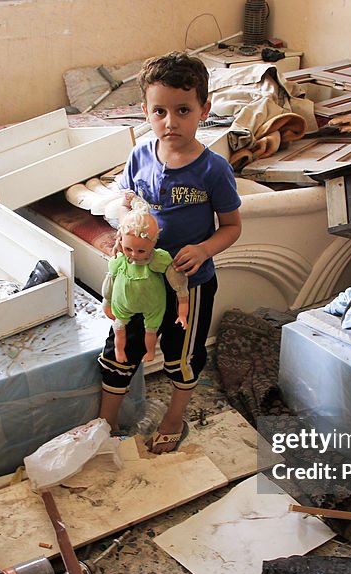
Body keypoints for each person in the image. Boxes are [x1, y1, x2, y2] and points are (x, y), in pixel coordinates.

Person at [98, 50, 242, 454]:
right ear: (145, 110)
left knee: (183, 355)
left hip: (188, 285)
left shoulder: (213, 170)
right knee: (119, 349)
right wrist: (124, 223)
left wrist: (203, 249)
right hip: (137, 280)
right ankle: (103, 424)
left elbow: (231, 227)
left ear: (204, 110)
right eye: (159, 111)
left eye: (183, 110)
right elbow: (126, 202)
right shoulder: (139, 155)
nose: (170, 122)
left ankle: (174, 418)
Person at [102, 203, 189, 364]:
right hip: (123, 303)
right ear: (121, 241)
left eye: (141, 251)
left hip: (153, 305)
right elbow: (109, 284)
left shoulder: (158, 260)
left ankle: (150, 352)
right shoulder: (119, 261)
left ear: (153, 244)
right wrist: (106, 303)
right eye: (128, 249)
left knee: (151, 331)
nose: (134, 255)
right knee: (119, 329)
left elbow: (179, 285)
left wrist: (182, 313)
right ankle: (118, 349)